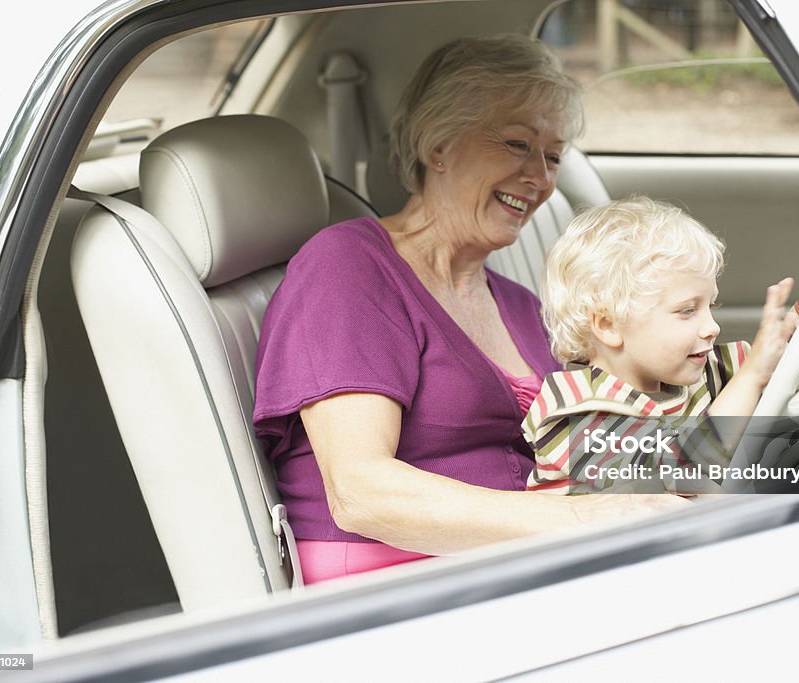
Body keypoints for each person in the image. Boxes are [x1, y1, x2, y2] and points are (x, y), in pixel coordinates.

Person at [253, 36, 687, 585]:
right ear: (439, 145)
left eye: (552, 157)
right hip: (395, 590)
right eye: (515, 144)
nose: (541, 178)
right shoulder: (349, 269)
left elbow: (597, 445)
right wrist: (581, 516)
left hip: (513, 567)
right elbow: (361, 493)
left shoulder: (520, 305)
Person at [523, 197, 799, 495]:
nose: (712, 327)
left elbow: (795, 352)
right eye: (687, 311)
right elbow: (677, 472)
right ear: (609, 325)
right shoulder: (574, 415)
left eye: (711, 305)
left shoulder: (704, 371)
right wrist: (752, 377)